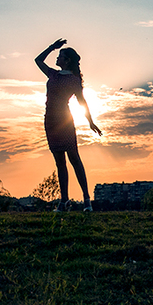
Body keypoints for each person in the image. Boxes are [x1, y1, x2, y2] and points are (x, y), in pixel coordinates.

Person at [36, 39, 102, 212]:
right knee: (60, 163)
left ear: (67, 61)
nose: (57, 58)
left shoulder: (73, 81)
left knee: (74, 159)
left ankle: (87, 200)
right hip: (50, 121)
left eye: (60, 56)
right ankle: (64, 201)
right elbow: (38, 60)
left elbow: (82, 102)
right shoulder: (53, 74)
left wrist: (90, 121)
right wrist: (51, 47)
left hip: (64, 121)